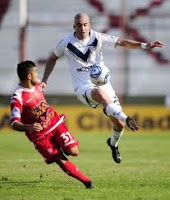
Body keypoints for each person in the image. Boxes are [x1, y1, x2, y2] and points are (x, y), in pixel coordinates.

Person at [41, 13, 164, 164]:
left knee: (119, 124)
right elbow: (52, 58)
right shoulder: (66, 43)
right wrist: (44, 80)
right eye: (79, 25)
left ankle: (113, 144)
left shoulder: (97, 37)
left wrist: (146, 45)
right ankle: (127, 117)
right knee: (100, 95)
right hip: (83, 86)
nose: (83, 28)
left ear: (90, 25)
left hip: (103, 83)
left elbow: (123, 42)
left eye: (85, 24)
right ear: (74, 26)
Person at [10, 60, 92, 189]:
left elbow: (41, 89)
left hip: (55, 124)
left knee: (74, 151)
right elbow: (14, 123)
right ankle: (87, 182)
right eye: (35, 71)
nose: (38, 74)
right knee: (59, 158)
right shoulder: (18, 97)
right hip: (40, 136)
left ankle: (63, 148)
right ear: (29, 76)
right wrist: (28, 127)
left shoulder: (38, 86)